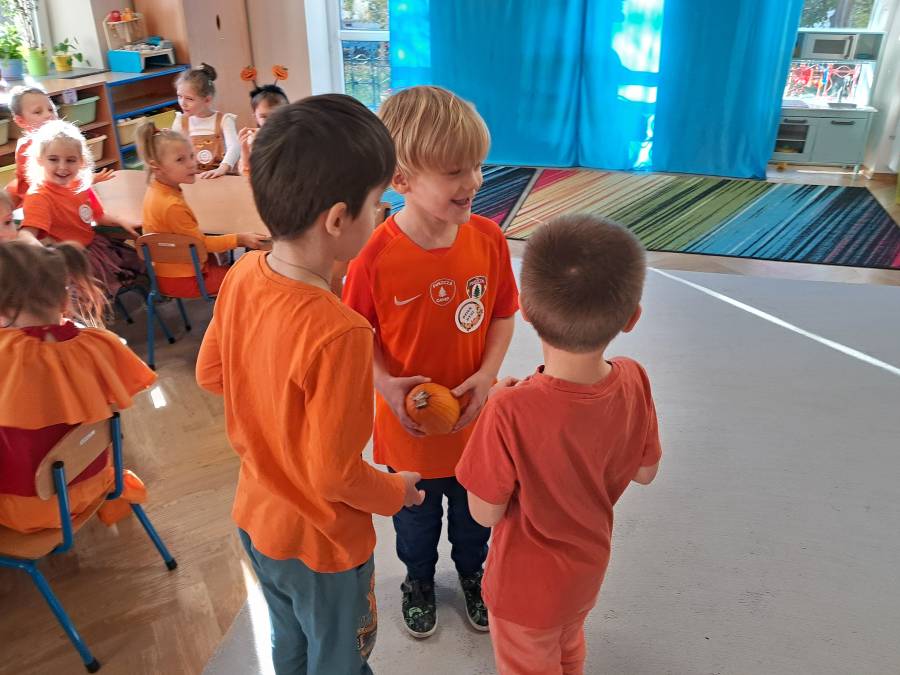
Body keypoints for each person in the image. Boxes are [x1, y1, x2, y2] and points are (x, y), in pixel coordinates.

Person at [196, 94, 424, 674]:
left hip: (256, 518)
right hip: (323, 546)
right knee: (339, 658)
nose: (383, 214)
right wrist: (397, 491)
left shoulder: (241, 275)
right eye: (379, 204)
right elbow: (335, 475)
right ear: (339, 220)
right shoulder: (341, 332)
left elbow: (211, 374)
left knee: (290, 643)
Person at [342, 85, 519, 638]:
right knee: (415, 525)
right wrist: (386, 385)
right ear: (402, 180)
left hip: (474, 424)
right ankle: (417, 581)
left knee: (473, 521)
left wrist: (487, 376)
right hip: (409, 431)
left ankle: (472, 575)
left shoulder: (488, 239)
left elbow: (502, 314)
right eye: (454, 172)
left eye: (478, 166)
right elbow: (356, 337)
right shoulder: (374, 256)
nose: (474, 182)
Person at [456, 214, 662, 675]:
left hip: (523, 591)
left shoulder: (509, 409)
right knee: (569, 647)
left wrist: (493, 410)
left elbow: (484, 513)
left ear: (525, 309)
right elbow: (646, 472)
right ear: (632, 318)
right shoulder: (634, 378)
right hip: (586, 573)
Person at [0, 240, 156, 534]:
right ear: (65, 300)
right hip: (97, 481)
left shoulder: (6, 354)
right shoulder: (100, 344)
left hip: (29, 509)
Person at [135, 121, 266, 297]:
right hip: (186, 278)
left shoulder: (156, 189)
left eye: (191, 156)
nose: (192, 164)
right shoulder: (171, 205)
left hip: (172, 271)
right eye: (180, 160)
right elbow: (201, 245)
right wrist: (240, 239)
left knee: (239, 265)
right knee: (252, 277)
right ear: (156, 167)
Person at [20, 120, 143, 296]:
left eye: (70, 160)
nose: (62, 167)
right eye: (53, 159)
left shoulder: (80, 184)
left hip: (94, 248)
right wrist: (37, 250)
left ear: (81, 162)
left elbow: (98, 216)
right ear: (39, 160)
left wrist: (121, 221)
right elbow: (27, 233)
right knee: (91, 297)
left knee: (140, 265)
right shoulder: (39, 196)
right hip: (70, 262)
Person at [6, 85, 113, 205]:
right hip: (41, 201)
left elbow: (75, 169)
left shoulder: (62, 139)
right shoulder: (26, 148)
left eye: (51, 109)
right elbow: (47, 182)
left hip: (65, 193)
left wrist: (85, 178)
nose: (48, 115)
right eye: (38, 112)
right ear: (20, 121)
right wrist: (86, 180)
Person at [172, 63, 239, 179]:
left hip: (221, 177)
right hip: (194, 178)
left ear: (207, 100)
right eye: (179, 96)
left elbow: (234, 147)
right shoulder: (180, 121)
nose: (182, 103)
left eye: (189, 99)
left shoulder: (224, 120)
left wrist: (222, 169)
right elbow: (173, 151)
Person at [238, 83, 289, 176]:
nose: (270, 120)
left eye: (276, 115)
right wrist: (244, 150)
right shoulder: (251, 139)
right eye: (264, 116)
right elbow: (246, 172)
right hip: (260, 182)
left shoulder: (292, 135)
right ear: (255, 117)